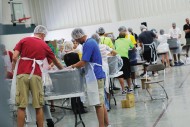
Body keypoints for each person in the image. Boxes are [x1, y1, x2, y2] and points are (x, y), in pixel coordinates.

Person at [12, 25, 63, 127]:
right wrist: (63, 69)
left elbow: (14, 57)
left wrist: (16, 68)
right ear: (42, 34)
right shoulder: (45, 45)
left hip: (22, 74)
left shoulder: (23, 40)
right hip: (36, 75)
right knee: (38, 106)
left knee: (21, 106)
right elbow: (56, 62)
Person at [70, 28, 111, 127]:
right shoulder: (90, 42)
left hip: (95, 76)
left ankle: (101, 125)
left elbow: (83, 62)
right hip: (97, 74)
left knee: (98, 104)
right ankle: (107, 124)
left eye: (76, 39)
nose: (76, 41)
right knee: (101, 102)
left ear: (79, 36)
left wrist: (72, 66)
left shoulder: (88, 44)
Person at [91, 33, 117, 110]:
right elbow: (115, 52)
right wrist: (108, 55)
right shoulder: (104, 46)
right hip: (105, 67)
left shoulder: (93, 48)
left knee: (100, 88)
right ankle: (107, 105)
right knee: (107, 86)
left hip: (97, 69)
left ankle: (104, 105)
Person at [63, 41, 87, 114]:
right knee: (78, 91)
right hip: (77, 74)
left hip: (69, 76)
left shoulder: (65, 56)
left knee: (72, 93)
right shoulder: (75, 54)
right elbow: (79, 64)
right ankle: (81, 109)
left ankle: (74, 109)